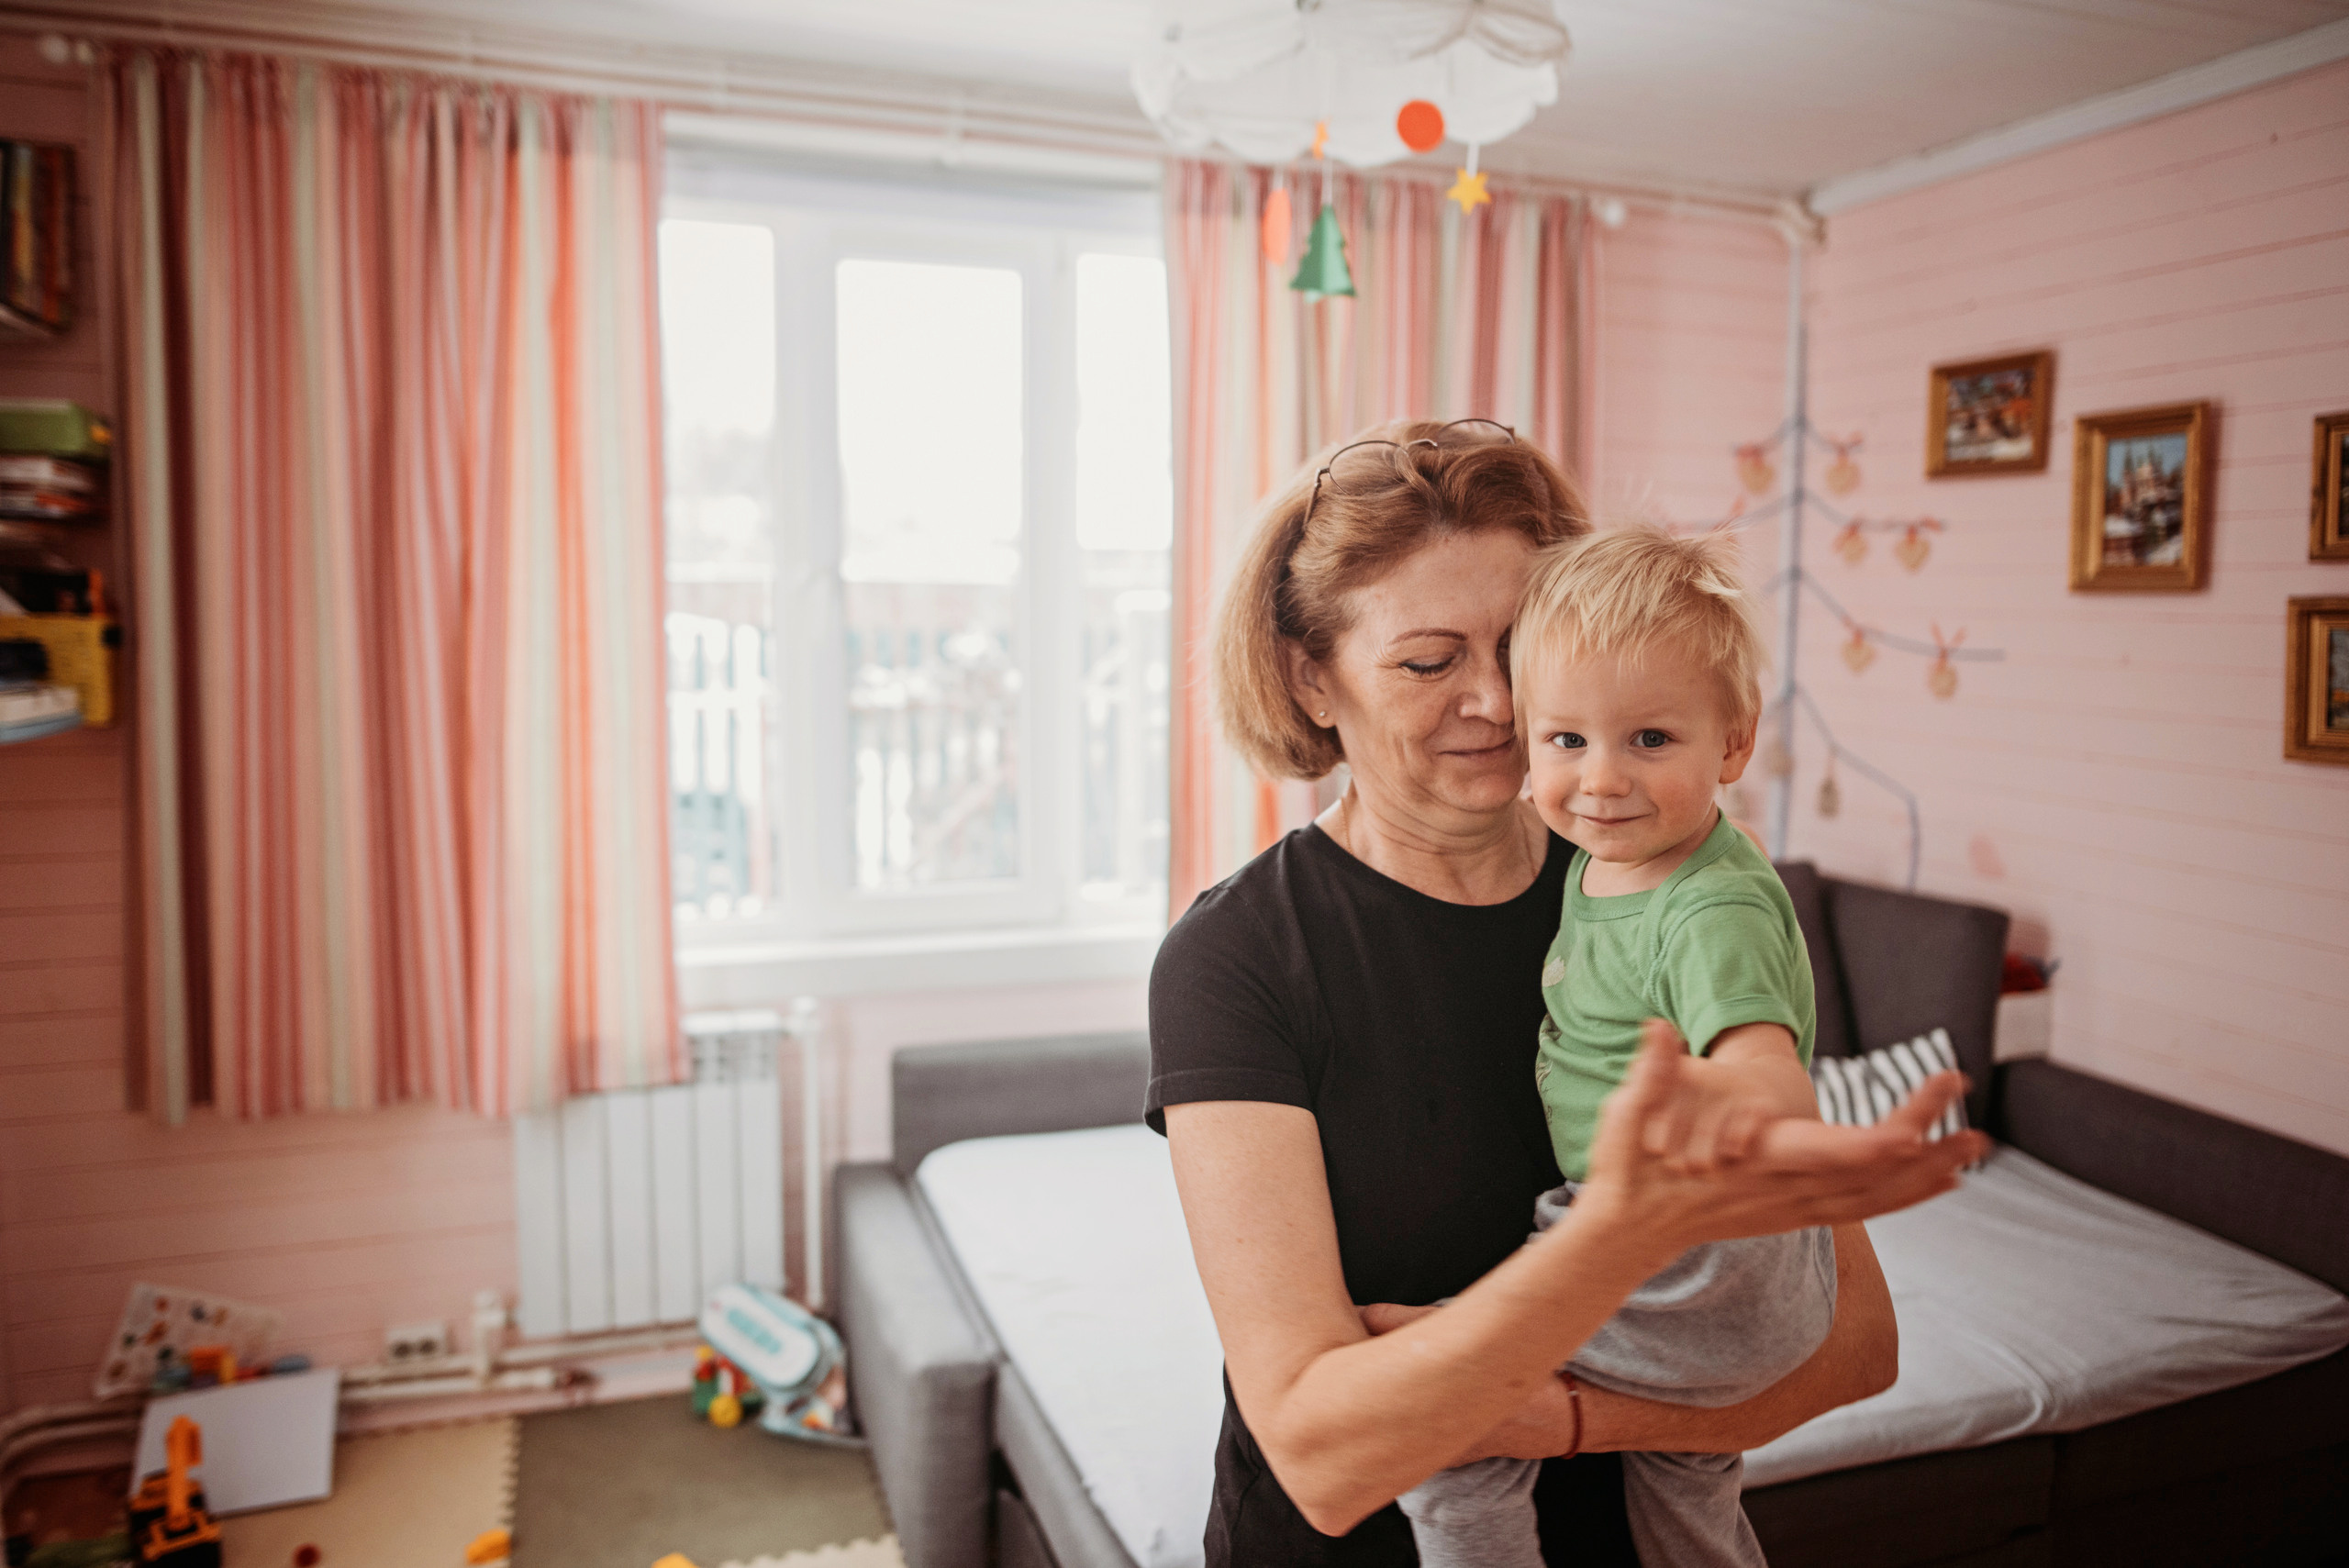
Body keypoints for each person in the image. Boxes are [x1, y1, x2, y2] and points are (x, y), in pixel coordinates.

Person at [1147, 419, 1985, 1566]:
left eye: (1519, 644)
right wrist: (1609, 1259)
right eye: (1428, 661)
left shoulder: (1658, 886)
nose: (1494, 701)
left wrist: (1553, 1416)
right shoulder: (1237, 958)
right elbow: (1321, 1454)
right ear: (1312, 677)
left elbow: (1854, 1344)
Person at [1397, 526, 1837, 1568]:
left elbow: (1760, 1062)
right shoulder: (1607, 860)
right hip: (1685, 1246)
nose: (1601, 779)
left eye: (1649, 740)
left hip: (1699, 1254)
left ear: (1732, 743)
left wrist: (1749, 1111)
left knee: (1441, 1413)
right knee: (1687, 1495)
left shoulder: (1707, 907)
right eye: (1565, 741)